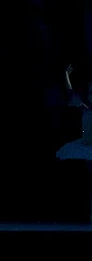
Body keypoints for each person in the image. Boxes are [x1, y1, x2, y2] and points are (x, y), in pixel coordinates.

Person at [56, 64, 92, 222]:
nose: (91, 95)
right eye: (90, 93)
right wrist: (66, 75)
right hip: (85, 146)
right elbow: (70, 92)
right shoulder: (85, 108)